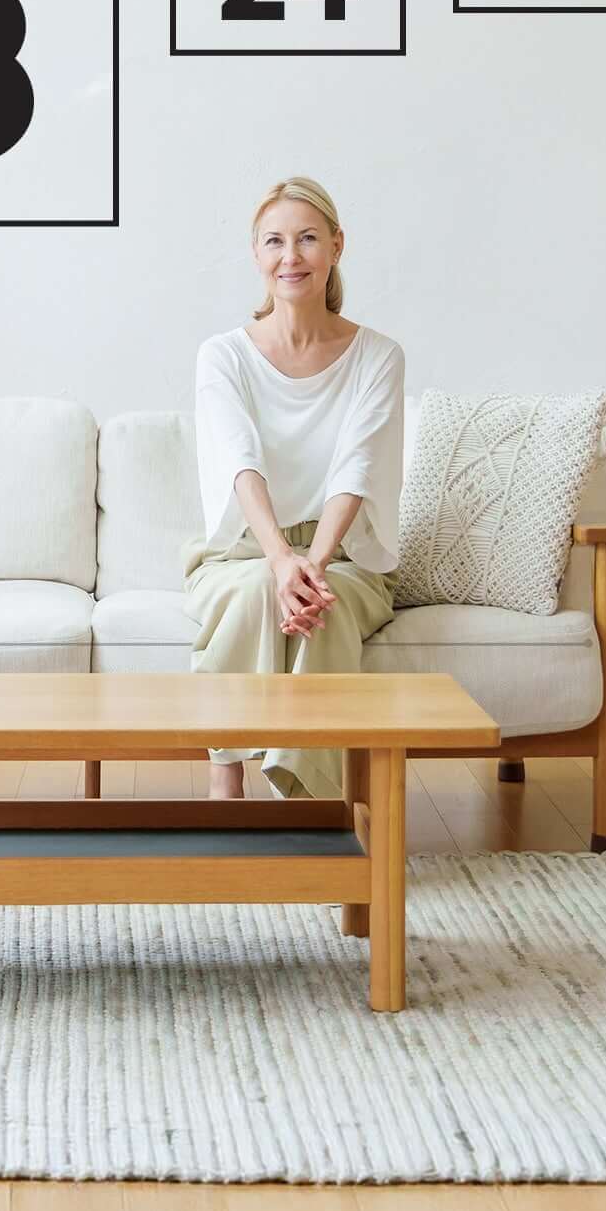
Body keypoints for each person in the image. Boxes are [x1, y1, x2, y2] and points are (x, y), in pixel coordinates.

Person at [187, 175, 403, 801]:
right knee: (258, 588)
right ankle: (225, 780)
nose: (292, 256)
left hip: (346, 557)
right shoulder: (223, 355)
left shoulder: (378, 356)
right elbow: (239, 460)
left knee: (325, 603)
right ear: (256, 254)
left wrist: (313, 561)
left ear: (337, 246)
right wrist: (282, 558)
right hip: (246, 552)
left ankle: (307, 803)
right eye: (275, 241)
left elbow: (356, 467)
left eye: (308, 239)